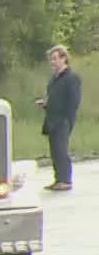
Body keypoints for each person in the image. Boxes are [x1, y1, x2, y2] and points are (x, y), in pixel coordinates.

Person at [36, 45, 82, 191]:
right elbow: (54, 98)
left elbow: (74, 101)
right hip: (52, 118)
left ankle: (65, 180)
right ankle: (58, 179)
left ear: (64, 58)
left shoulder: (71, 78)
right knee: (55, 150)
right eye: (51, 59)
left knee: (61, 150)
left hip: (63, 119)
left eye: (55, 58)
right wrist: (46, 104)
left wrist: (67, 119)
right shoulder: (54, 79)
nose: (53, 62)